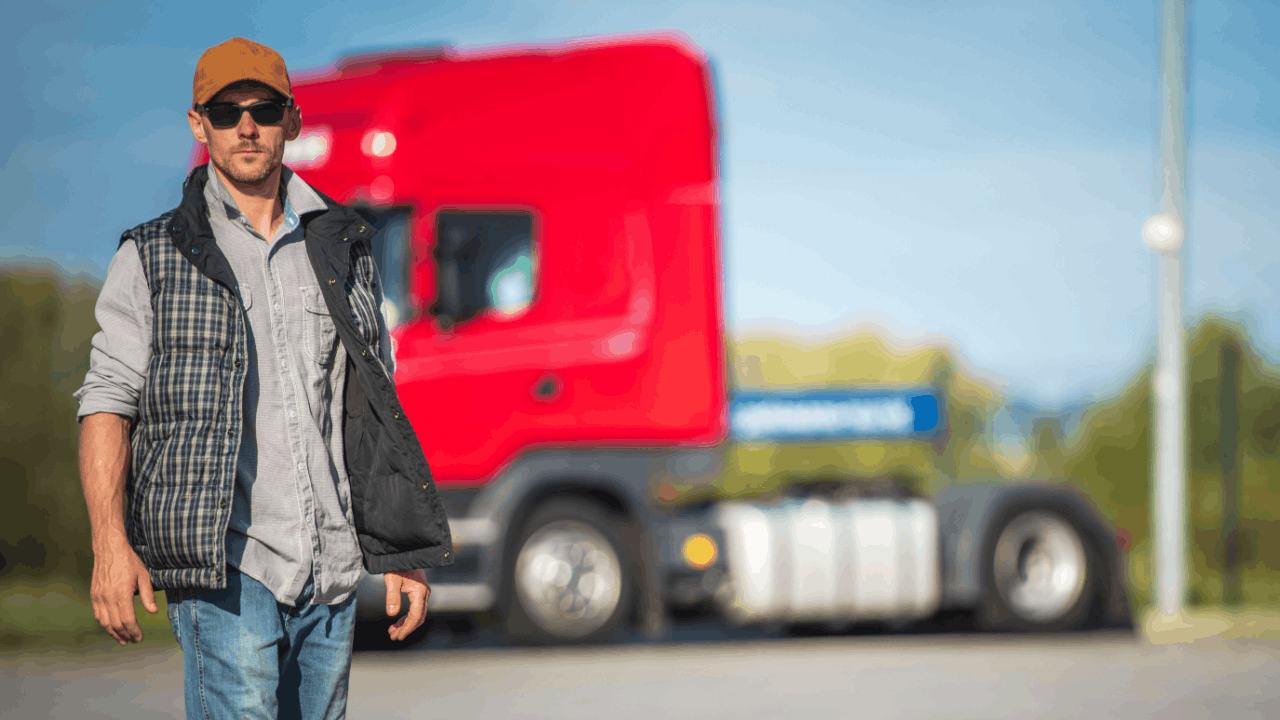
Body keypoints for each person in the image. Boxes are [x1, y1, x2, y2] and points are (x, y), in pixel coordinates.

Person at [74, 37, 452, 719]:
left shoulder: (344, 246)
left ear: (293, 121)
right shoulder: (153, 254)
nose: (246, 126)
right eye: (225, 111)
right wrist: (109, 542)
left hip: (330, 568)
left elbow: (371, 404)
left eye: (263, 108)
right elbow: (107, 402)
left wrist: (402, 546)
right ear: (199, 125)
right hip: (225, 568)